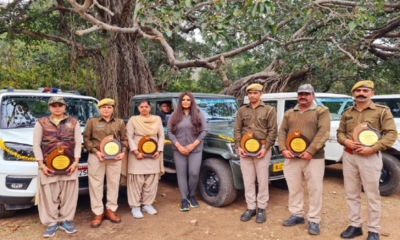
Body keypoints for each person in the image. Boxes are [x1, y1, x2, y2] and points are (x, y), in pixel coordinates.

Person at [337, 80, 397, 240]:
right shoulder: (348, 112)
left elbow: (391, 134)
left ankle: (373, 230)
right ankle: (355, 225)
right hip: (349, 156)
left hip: (370, 157)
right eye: (357, 91)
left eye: (365, 90)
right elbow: (340, 133)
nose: (361, 93)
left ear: (372, 93)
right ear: (353, 94)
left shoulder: (382, 111)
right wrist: (346, 141)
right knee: (351, 194)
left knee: (372, 194)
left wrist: (372, 148)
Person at [278, 84, 330, 235]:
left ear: (313, 95)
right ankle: (297, 214)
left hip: (314, 158)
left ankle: (313, 219)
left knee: (315, 189)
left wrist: (310, 151)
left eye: (307, 94)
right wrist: (283, 149)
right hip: (291, 157)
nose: (303, 96)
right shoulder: (290, 112)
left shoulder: (321, 111)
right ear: (297, 96)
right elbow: (282, 132)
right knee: (294, 188)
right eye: (300, 93)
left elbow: (324, 132)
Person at [32, 96, 81, 237]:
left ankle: (66, 220)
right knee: (49, 195)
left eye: (60, 105)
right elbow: (36, 145)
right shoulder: (41, 123)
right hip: (48, 166)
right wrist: (41, 165)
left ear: (65, 107)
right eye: (54, 105)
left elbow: (78, 143)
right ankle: (52, 222)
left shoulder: (74, 122)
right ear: (50, 107)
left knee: (68, 195)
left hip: (70, 165)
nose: (57, 108)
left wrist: (76, 163)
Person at [234, 83, 277, 223]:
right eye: (250, 93)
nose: (252, 95)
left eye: (255, 92)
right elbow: (237, 130)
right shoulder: (242, 110)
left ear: (261, 94)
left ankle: (262, 208)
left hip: (262, 149)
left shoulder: (269, 110)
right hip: (245, 149)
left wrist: (266, 148)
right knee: (248, 179)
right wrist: (238, 147)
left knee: (263, 180)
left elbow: (272, 131)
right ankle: (251, 207)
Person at [83, 98, 128, 228]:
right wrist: (95, 152)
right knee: (96, 184)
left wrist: (123, 152)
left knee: (113, 183)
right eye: (103, 107)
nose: (106, 110)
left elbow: (124, 138)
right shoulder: (92, 122)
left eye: (109, 107)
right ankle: (98, 212)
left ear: (113, 109)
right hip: (97, 157)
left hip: (115, 158)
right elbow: (86, 139)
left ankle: (111, 210)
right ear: (100, 109)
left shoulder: (119, 122)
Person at [167, 92, 207, 211]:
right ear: (180, 102)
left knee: (194, 172)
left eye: (188, 100)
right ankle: (184, 199)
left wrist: (192, 145)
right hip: (179, 149)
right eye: (183, 100)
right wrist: (179, 146)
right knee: (181, 173)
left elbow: (204, 130)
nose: (185, 101)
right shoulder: (174, 116)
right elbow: (169, 132)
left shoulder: (198, 114)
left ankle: (192, 195)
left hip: (195, 149)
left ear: (192, 101)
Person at [127, 100, 165, 218]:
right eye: (141, 107)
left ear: (150, 107)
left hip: (154, 153)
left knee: (151, 179)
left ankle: (147, 204)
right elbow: (129, 136)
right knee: (136, 180)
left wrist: (158, 150)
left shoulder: (157, 119)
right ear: (138, 108)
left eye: (146, 106)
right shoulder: (133, 119)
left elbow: (161, 135)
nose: (144, 109)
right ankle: (135, 206)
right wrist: (135, 151)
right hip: (137, 153)